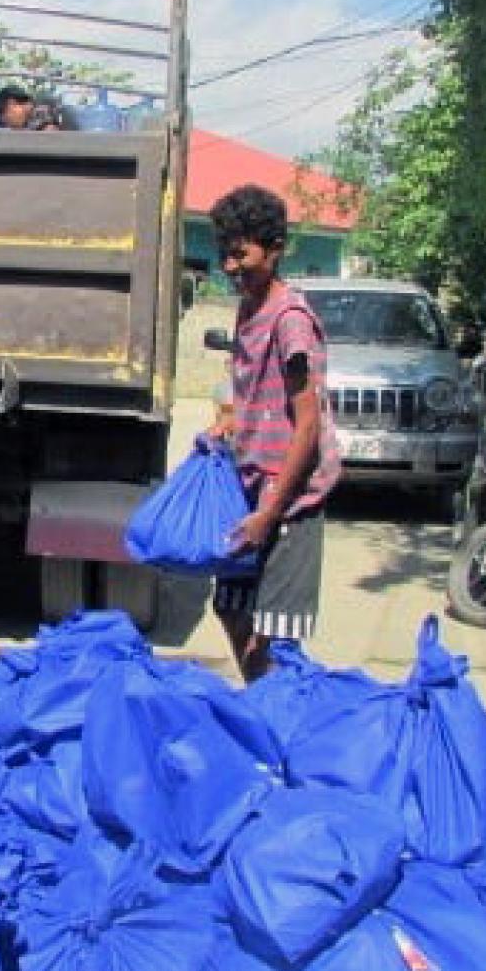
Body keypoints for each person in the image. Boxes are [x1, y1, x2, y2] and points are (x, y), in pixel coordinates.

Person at [206, 184, 342, 681]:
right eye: (224, 253)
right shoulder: (248, 311)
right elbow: (256, 399)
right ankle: (266, 709)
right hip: (251, 491)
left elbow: (307, 425)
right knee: (230, 605)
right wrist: (230, 422)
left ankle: (281, 726)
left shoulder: (291, 321)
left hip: (291, 500)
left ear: (275, 249)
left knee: (276, 634)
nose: (228, 266)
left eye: (240, 253)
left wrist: (270, 513)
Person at [0, 84, 64, 131]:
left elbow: (50, 135)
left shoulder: (41, 109)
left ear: (11, 104)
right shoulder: (28, 119)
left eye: (7, 121)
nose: (11, 127)